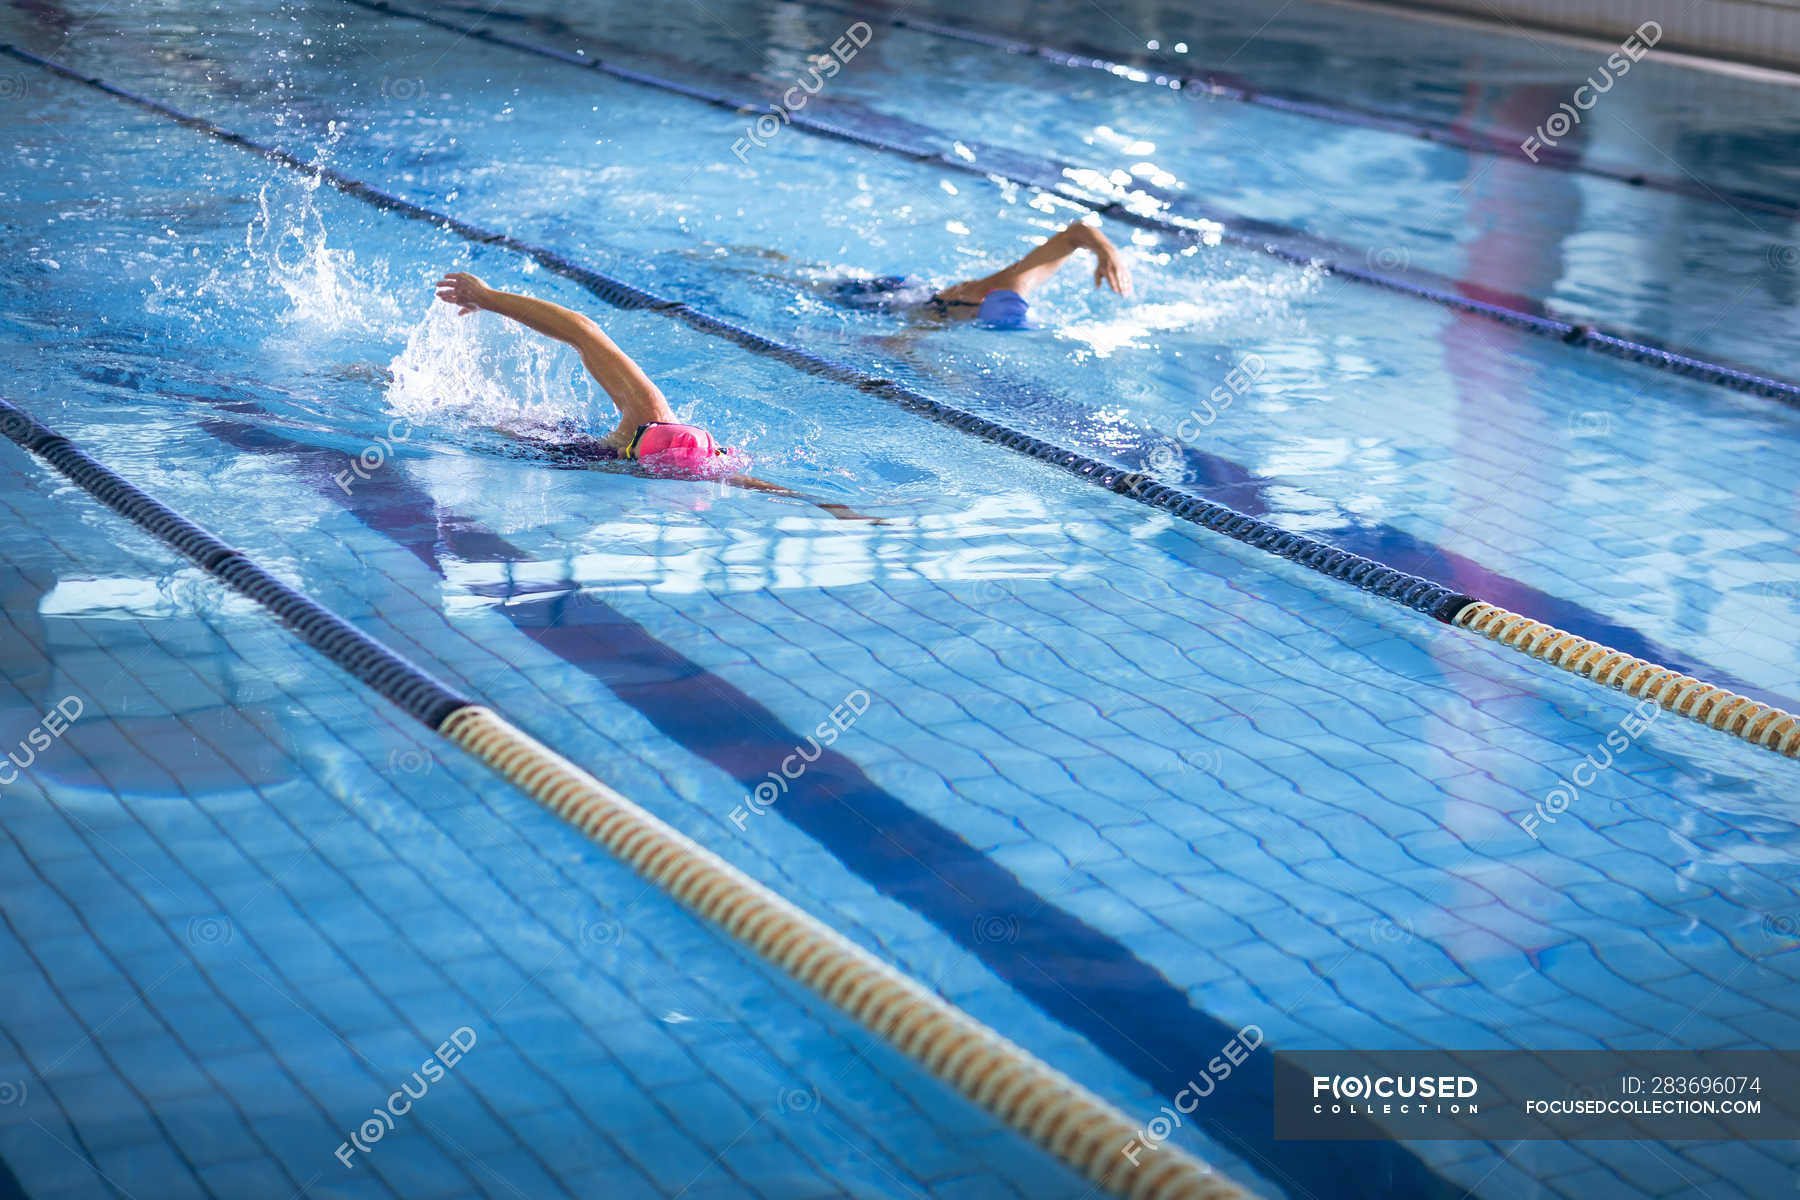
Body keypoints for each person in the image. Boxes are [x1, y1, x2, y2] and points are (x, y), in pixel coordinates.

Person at [433, 272, 881, 522]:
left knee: (471, 414)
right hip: (577, 457)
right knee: (475, 414)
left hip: (574, 453)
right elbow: (582, 331)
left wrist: (830, 506)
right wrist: (488, 297)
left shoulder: (657, 426)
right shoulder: (663, 431)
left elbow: (584, 330)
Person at [831, 217, 1133, 328]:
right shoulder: (1005, 286)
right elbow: (1076, 232)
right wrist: (1108, 252)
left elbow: (1075, 236)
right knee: (805, 281)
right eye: (976, 316)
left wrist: (1107, 253)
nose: (974, 319)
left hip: (909, 297)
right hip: (888, 294)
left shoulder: (1012, 296)